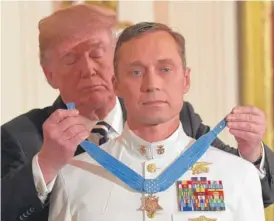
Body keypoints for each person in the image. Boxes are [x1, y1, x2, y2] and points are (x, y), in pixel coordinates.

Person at [1, 4, 273, 221]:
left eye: (97, 54)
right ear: (49, 75)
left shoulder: (185, 122)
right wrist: (47, 163)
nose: (88, 69)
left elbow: (241, 182)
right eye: (71, 59)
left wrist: (253, 152)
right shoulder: (26, 142)